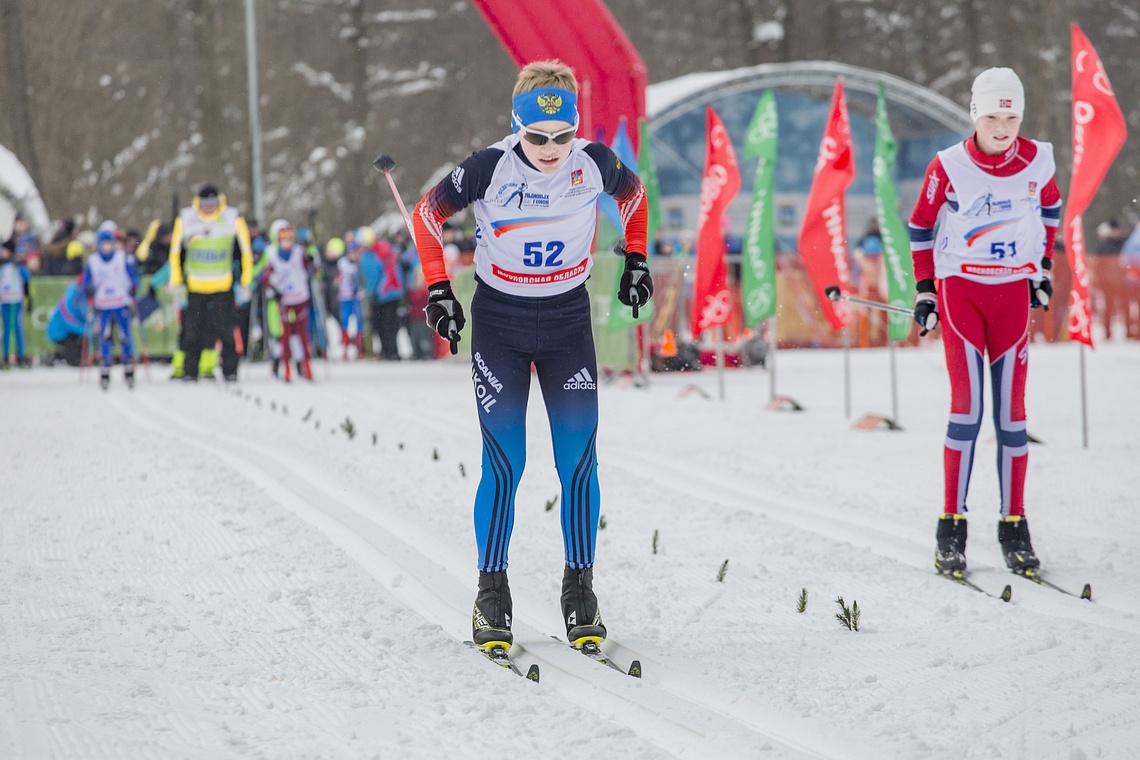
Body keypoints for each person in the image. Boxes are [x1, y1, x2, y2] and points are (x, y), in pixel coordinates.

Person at [411, 59, 652, 652]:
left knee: (579, 462)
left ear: (576, 129)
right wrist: (439, 288)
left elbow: (635, 196)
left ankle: (580, 593)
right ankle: (492, 596)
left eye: (562, 136)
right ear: (517, 127)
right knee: (506, 463)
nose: (550, 149)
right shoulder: (489, 166)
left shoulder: (593, 162)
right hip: (502, 326)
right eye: (537, 137)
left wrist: (637, 257)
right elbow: (426, 214)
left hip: (568, 325)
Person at [908, 67, 1062, 577]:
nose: (1003, 126)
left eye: (1012, 115)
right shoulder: (947, 164)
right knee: (968, 409)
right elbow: (921, 224)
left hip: (1012, 296)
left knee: (1013, 417)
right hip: (962, 294)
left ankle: (1013, 525)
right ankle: (951, 526)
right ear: (976, 114)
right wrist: (926, 288)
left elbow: (1050, 209)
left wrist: (1042, 269)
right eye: (994, 115)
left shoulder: (1038, 159)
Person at [168, 184, 253, 382]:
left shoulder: (232, 218)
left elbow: (246, 253)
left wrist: (245, 283)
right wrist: (177, 283)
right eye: (205, 203)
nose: (209, 208)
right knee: (192, 332)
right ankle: (190, 371)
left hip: (223, 286)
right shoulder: (186, 219)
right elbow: (175, 253)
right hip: (196, 286)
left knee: (226, 331)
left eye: (212, 203)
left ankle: (230, 370)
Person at [82, 227, 140, 389]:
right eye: (104, 244)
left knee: (124, 337)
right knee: (105, 338)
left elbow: (132, 276)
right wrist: (87, 290)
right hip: (104, 305)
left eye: (109, 244)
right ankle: (105, 369)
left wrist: (134, 287)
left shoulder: (122, 258)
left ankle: (129, 369)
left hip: (120, 302)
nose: (107, 248)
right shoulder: (93, 261)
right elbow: (86, 280)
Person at [260, 219, 315, 382]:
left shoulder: (299, 252)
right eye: (283, 238)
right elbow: (265, 276)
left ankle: (306, 365)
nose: (287, 242)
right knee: (284, 334)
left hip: (300, 298)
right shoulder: (271, 254)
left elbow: (311, 267)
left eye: (290, 238)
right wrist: (275, 290)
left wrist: (311, 260)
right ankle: (286, 367)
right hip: (284, 300)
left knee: (302, 333)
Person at [0, 236, 32, 368]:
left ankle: (21, 356)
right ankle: (6, 356)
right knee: (7, 329)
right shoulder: (2, 265)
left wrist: (19, 264)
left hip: (16, 300)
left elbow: (27, 276)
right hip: (4, 300)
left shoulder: (16, 265)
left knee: (18, 328)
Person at [332, 237, 366, 359]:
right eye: (352, 252)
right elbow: (337, 279)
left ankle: (360, 349)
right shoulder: (342, 263)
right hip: (345, 296)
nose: (354, 254)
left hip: (357, 296)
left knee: (359, 322)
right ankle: (345, 349)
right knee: (345, 322)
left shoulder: (360, 263)